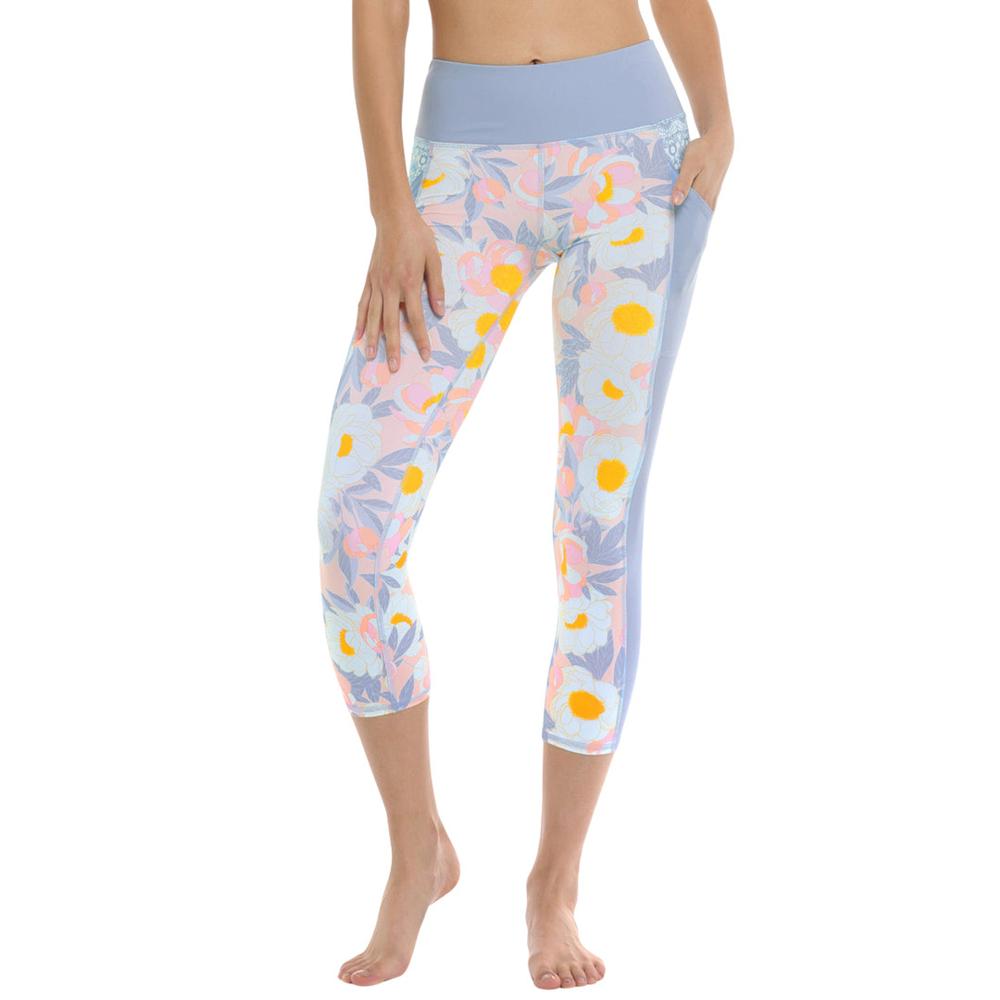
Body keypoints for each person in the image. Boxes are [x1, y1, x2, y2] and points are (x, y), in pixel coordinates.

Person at [318, 0, 733, 988]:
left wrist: (719, 120)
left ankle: (555, 882)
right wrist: (391, 210)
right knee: (354, 526)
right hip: (464, 173)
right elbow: (378, 15)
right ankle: (418, 850)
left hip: (633, 162)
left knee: (600, 529)